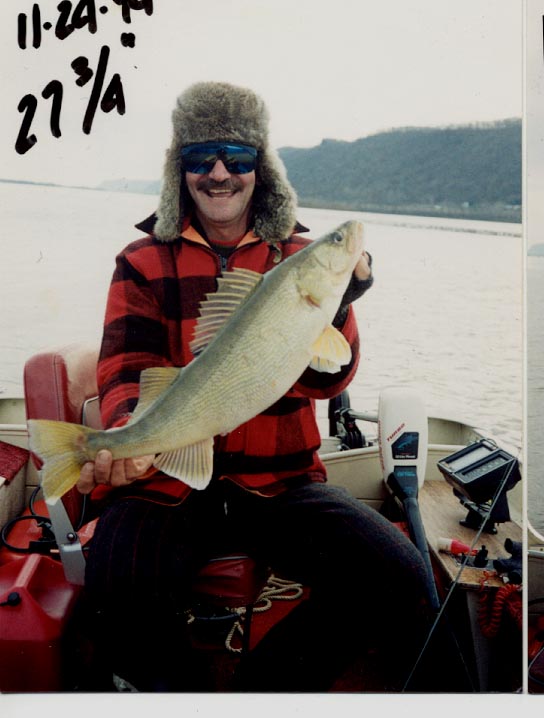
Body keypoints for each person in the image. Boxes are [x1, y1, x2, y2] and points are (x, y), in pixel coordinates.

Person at [78, 81, 432, 692]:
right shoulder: (142, 260)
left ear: (260, 168)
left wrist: (340, 301)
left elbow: (331, 377)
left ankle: (260, 695)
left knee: (402, 577)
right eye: (200, 157)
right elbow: (126, 366)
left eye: (237, 158)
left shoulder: (297, 258)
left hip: (281, 484)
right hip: (166, 483)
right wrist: (130, 437)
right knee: (118, 585)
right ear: (180, 169)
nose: (219, 174)